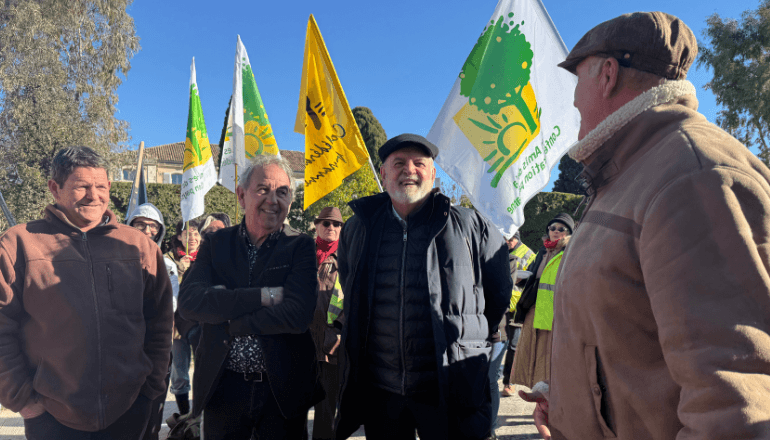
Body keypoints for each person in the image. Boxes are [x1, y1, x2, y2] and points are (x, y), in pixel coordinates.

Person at [519, 12, 770, 440]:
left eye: (576, 80)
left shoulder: (693, 176)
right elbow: (626, 333)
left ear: (608, 74)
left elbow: (733, 400)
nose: (573, 100)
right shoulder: (632, 172)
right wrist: (566, 399)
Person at [335, 133, 512, 440]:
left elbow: (497, 293)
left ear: (433, 173)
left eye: (419, 163)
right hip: (382, 391)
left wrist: (473, 335)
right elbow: (351, 287)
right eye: (399, 163)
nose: (410, 170)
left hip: (448, 386)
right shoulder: (358, 228)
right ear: (384, 173)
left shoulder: (470, 226)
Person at [0, 146, 173, 439]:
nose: (95, 196)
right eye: (82, 186)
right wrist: (23, 400)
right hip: (51, 416)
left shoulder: (139, 246)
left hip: (130, 409)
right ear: (55, 188)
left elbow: (159, 321)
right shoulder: (19, 244)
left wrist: (151, 387)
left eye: (101, 186)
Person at [178, 155, 321, 439]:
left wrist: (231, 319)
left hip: (283, 388)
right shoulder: (216, 244)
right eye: (263, 189)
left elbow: (298, 314)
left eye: (282, 192)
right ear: (242, 196)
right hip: (223, 386)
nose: (273, 199)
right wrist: (264, 296)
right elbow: (190, 302)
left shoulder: (300, 245)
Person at [127, 203, 180, 440]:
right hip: (122, 348)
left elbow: (171, 305)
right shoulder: (115, 259)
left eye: (153, 226)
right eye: (141, 224)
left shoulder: (167, 266)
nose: (147, 231)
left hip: (155, 346)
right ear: (129, 225)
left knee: (152, 409)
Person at [510, 214, 572, 392]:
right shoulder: (543, 251)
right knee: (532, 353)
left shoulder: (569, 251)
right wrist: (520, 279)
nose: (555, 231)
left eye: (561, 229)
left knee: (548, 357)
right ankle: (539, 393)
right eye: (553, 228)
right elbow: (533, 275)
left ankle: (548, 398)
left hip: (555, 313)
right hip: (535, 309)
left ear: (568, 233)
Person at [309, 206, 345, 440]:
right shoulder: (303, 255)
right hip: (302, 343)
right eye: (326, 223)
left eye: (336, 224)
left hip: (332, 346)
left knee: (326, 409)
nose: (330, 227)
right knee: (295, 405)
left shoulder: (349, 257)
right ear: (317, 226)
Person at [166, 219, 201, 417]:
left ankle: (198, 414)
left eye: (196, 233)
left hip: (199, 323)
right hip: (176, 325)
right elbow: (170, 289)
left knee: (204, 369)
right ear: (179, 236)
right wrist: (181, 269)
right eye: (188, 233)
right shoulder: (168, 258)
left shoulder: (206, 257)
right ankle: (184, 415)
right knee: (179, 373)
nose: (193, 238)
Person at [500, 231, 535, 398]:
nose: (507, 242)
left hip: (518, 308)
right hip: (501, 305)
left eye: (510, 239)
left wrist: (523, 280)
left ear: (517, 238)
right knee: (498, 343)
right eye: (505, 239)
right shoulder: (500, 251)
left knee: (514, 347)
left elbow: (535, 278)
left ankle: (509, 383)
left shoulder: (528, 254)